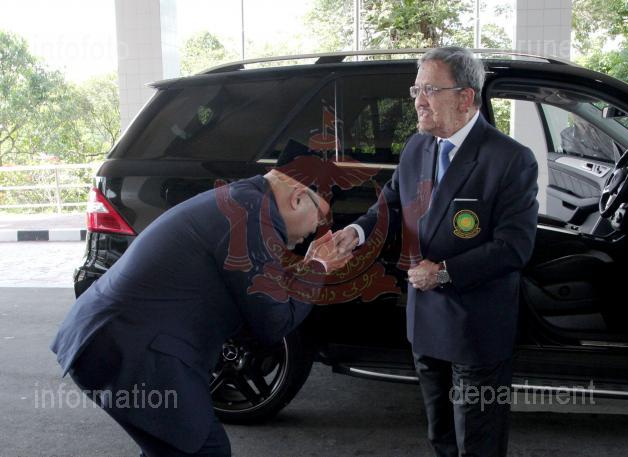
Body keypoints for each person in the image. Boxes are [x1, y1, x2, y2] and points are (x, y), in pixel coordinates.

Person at [50, 168, 350, 457]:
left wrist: (308, 266)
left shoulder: (244, 202)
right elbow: (275, 323)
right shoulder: (252, 220)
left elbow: (259, 295)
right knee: (205, 450)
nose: (318, 229)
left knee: (171, 449)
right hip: (131, 355)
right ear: (297, 198)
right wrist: (319, 267)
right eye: (321, 216)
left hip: (109, 342)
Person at [334, 47, 539, 457]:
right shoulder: (418, 147)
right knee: (440, 436)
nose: (418, 101)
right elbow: (390, 205)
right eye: (416, 90)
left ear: (465, 97)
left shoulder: (509, 159)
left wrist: (444, 271)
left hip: (477, 330)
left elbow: (514, 247)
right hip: (426, 324)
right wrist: (355, 233)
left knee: (478, 443)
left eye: (429, 90)